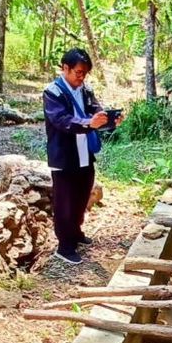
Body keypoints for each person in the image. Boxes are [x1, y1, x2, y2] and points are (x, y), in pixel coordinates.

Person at [43, 48, 120, 264]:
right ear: (65, 68)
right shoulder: (52, 92)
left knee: (81, 195)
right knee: (65, 201)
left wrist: (109, 120)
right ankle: (64, 245)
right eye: (78, 72)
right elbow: (61, 120)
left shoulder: (85, 89)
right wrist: (88, 123)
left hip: (84, 152)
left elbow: (96, 110)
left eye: (84, 72)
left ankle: (75, 232)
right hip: (64, 155)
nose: (81, 76)